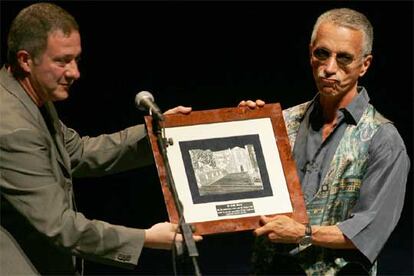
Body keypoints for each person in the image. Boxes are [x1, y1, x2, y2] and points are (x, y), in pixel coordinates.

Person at [0, 2, 202, 275]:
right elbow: (61, 226)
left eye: (76, 60)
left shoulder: (29, 97)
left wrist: (157, 133)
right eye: (62, 61)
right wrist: (144, 239)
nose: (74, 73)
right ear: (25, 60)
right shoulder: (13, 129)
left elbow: (79, 152)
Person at [240, 8, 410, 275]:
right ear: (310, 53)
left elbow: (369, 230)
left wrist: (303, 234)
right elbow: (243, 193)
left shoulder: (383, 139)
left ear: (364, 65)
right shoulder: (281, 124)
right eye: (322, 54)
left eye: (344, 58)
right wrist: (244, 130)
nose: (329, 68)